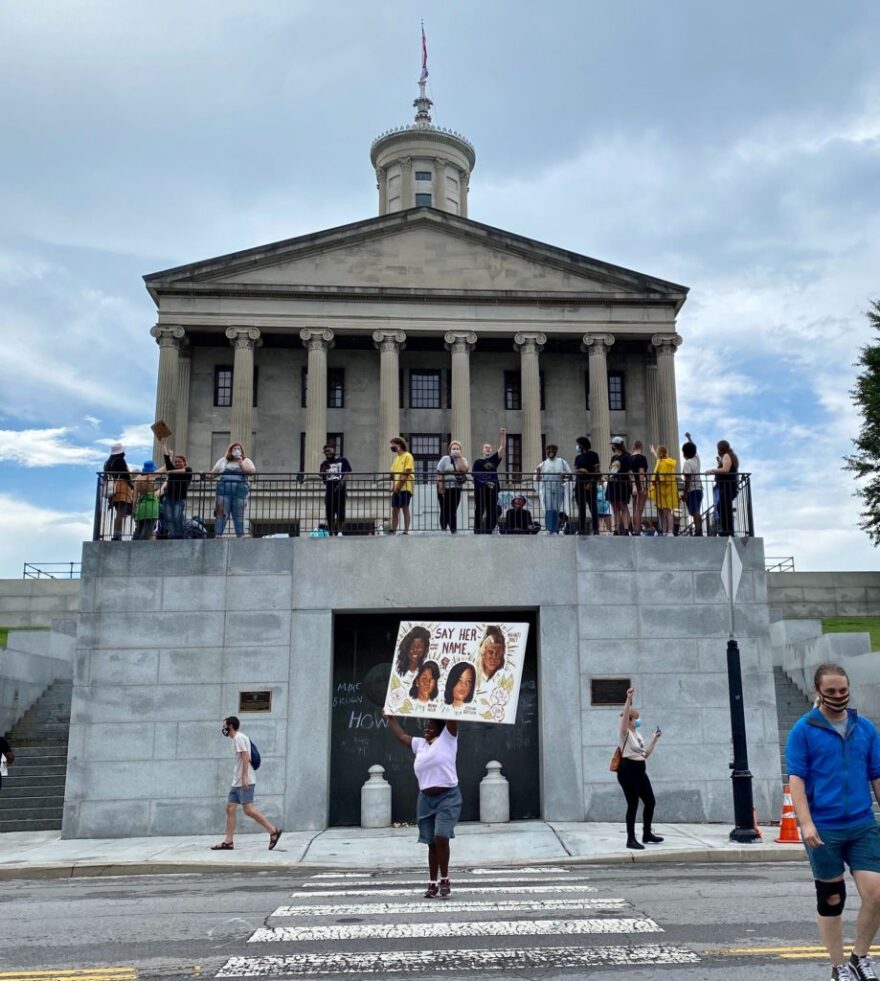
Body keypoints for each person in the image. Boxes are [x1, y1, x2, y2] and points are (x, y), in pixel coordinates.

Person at [786, 663, 880, 981]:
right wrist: (806, 823)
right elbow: (796, 779)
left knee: (877, 894)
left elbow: (876, 776)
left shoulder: (864, 728)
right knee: (832, 898)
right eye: (831, 692)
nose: (838, 696)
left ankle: (860, 957)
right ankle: (838, 965)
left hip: (862, 823)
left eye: (843, 690)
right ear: (818, 692)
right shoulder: (804, 729)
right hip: (823, 827)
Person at [383, 712, 460, 899]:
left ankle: (445, 879)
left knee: (441, 836)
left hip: (447, 796)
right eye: (425, 726)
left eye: (431, 726)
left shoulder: (448, 739)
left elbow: (452, 717)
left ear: (440, 728)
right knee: (431, 842)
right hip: (425, 799)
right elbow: (402, 736)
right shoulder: (420, 745)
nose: (427, 728)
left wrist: (446, 702)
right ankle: (432, 882)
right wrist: (391, 719)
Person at [211, 715, 282, 851]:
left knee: (248, 810)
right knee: (230, 808)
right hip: (237, 781)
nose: (223, 728)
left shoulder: (238, 738)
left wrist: (244, 778)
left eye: (224, 725)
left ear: (230, 726)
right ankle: (229, 841)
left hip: (244, 780)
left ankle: (273, 831)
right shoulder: (238, 739)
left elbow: (245, 757)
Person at [616, 687, 663, 850]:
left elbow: (645, 755)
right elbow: (624, 720)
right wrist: (628, 700)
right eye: (635, 718)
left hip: (639, 770)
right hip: (627, 770)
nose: (638, 720)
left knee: (650, 801)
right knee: (633, 804)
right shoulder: (625, 733)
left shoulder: (638, 735)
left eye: (638, 718)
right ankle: (630, 839)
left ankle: (647, 834)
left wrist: (654, 740)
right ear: (629, 720)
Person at [210, 442, 256, 538]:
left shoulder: (246, 460)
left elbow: (251, 471)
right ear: (230, 451)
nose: (236, 450)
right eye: (234, 449)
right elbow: (213, 474)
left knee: (239, 514)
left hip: (240, 491)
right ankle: (218, 534)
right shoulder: (223, 461)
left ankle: (240, 534)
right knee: (221, 514)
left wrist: (241, 462)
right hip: (223, 491)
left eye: (238, 449)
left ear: (241, 451)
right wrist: (205, 476)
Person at [472, 428, 506, 534]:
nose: (488, 449)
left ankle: (489, 530)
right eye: (486, 447)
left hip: (492, 490)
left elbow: (502, 448)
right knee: (480, 510)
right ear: (482, 450)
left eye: (489, 448)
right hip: (481, 490)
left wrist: (503, 436)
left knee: (492, 510)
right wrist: (485, 482)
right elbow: (474, 475)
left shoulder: (493, 460)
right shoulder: (478, 462)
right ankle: (477, 530)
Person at [160, 440, 193, 540]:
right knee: (169, 518)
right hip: (168, 497)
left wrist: (170, 471)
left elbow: (185, 470)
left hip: (179, 498)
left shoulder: (188, 470)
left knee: (177, 517)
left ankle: (179, 536)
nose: (177, 463)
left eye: (179, 462)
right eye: (176, 462)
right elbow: (166, 459)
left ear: (184, 463)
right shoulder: (172, 471)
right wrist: (164, 444)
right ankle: (173, 535)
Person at [535, 444, 571, 534]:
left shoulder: (562, 462)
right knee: (548, 508)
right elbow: (537, 479)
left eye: (552, 450)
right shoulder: (543, 464)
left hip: (559, 488)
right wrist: (538, 473)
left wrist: (564, 474)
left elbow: (571, 476)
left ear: (556, 451)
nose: (550, 451)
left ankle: (555, 529)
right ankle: (548, 529)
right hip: (547, 488)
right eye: (548, 450)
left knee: (556, 508)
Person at [706, 439, 739, 536]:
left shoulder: (726, 455)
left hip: (727, 486)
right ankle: (727, 530)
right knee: (724, 506)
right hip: (727, 485)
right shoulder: (729, 456)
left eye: (718, 449)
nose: (717, 451)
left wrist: (712, 470)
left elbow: (725, 469)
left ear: (721, 448)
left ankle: (727, 530)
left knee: (723, 507)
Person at [436, 440, 469, 534]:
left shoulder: (463, 459)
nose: (456, 450)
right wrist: (441, 487)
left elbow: (464, 470)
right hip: (444, 488)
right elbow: (439, 472)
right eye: (454, 448)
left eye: (457, 449)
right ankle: (443, 529)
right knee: (444, 509)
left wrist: (459, 458)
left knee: (453, 510)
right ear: (449, 450)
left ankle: (453, 530)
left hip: (456, 488)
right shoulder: (445, 459)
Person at [319, 443, 352, 537]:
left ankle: (340, 531)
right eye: (325, 452)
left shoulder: (342, 460)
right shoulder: (324, 464)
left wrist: (341, 484)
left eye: (328, 451)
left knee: (341, 511)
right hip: (329, 491)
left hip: (340, 490)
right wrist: (324, 471)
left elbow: (346, 474)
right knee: (329, 513)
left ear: (333, 450)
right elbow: (324, 480)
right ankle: (331, 532)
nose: (327, 453)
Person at [103, 442, 134, 541]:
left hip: (115, 489)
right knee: (121, 513)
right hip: (122, 487)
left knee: (119, 513)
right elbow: (126, 476)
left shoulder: (108, 463)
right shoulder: (121, 461)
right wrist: (131, 485)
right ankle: (117, 535)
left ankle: (117, 534)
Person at [607, 437, 634, 535]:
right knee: (615, 507)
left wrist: (633, 485)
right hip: (612, 484)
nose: (612, 447)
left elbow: (630, 471)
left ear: (616, 445)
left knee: (623, 506)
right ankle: (617, 528)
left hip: (622, 484)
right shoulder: (613, 458)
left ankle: (626, 528)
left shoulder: (626, 456)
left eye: (613, 445)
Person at [574, 436, 601, 535]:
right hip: (579, 484)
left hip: (590, 484)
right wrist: (579, 471)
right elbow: (575, 469)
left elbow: (597, 471)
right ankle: (582, 529)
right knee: (581, 508)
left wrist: (590, 481)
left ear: (582, 445)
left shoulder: (593, 455)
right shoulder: (578, 457)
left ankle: (595, 529)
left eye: (578, 444)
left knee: (593, 507)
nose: (577, 447)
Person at [650, 444, 678, 536]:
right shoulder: (663, 461)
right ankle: (665, 530)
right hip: (661, 490)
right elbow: (658, 461)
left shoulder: (666, 463)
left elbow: (664, 476)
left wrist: (657, 479)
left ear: (660, 453)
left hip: (666, 490)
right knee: (663, 511)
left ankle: (669, 531)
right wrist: (653, 452)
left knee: (667, 511)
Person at [389, 437, 414, 535]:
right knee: (395, 509)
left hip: (406, 487)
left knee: (405, 507)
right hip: (396, 488)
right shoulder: (396, 459)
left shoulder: (408, 456)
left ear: (399, 445)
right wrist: (392, 486)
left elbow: (407, 472)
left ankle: (406, 530)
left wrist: (398, 486)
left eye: (393, 444)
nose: (391, 446)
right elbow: (392, 474)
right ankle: (394, 530)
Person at [475, 625, 511, 694]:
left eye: (498, 653)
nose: (494, 657)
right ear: (483, 653)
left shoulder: (504, 677)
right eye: (490, 652)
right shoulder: (474, 677)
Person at [680, 434, 703, 536]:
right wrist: (689, 438)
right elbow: (693, 445)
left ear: (684, 453)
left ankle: (698, 531)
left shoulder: (687, 463)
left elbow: (687, 479)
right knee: (696, 510)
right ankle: (699, 529)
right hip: (699, 489)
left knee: (694, 511)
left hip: (692, 490)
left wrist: (685, 493)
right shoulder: (696, 458)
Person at [132, 461, 161, 540]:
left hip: (140, 508)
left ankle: (132, 547)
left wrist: (134, 510)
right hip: (151, 509)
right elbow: (166, 467)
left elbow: (134, 497)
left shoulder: (137, 479)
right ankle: (141, 549)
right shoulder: (151, 476)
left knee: (138, 530)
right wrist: (169, 456)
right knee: (147, 532)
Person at [630, 441, 650, 535]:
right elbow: (641, 472)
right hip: (640, 484)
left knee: (634, 508)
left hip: (632, 484)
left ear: (634, 447)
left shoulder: (630, 458)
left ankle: (635, 529)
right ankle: (637, 530)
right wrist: (642, 485)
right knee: (639, 509)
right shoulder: (642, 458)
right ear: (641, 447)